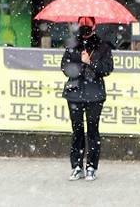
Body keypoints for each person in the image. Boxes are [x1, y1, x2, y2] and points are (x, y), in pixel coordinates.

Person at [60, 16, 114, 181]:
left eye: (87, 24)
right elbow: (65, 67)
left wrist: (90, 62)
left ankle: (91, 166)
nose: (84, 27)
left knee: (92, 131)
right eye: (81, 24)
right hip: (75, 93)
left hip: (95, 94)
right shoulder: (72, 44)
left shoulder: (103, 46)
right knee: (77, 131)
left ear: (94, 25)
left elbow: (107, 68)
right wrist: (80, 66)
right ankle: (77, 166)